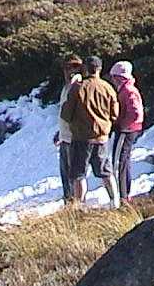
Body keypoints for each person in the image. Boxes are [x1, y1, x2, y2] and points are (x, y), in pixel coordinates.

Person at [61, 55, 120, 208]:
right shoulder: (108, 88)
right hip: (101, 138)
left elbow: (66, 114)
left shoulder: (78, 88)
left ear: (86, 68)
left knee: (79, 174)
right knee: (106, 171)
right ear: (100, 69)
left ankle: (80, 206)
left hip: (81, 138)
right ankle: (115, 201)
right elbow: (115, 114)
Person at [109, 61, 144, 203]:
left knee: (118, 161)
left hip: (127, 130)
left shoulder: (128, 91)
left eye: (113, 77)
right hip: (128, 129)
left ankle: (123, 197)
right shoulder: (127, 89)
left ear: (119, 77)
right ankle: (125, 194)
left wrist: (122, 125)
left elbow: (136, 113)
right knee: (124, 161)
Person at [53, 55, 83, 203]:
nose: (69, 71)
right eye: (67, 67)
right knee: (65, 175)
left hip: (74, 137)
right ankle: (68, 203)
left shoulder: (78, 85)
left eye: (74, 67)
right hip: (65, 136)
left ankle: (75, 204)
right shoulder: (66, 87)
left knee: (74, 175)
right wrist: (59, 132)